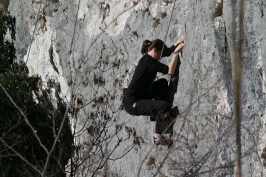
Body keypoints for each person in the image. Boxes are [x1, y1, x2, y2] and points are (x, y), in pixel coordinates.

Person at [122, 36, 184, 146]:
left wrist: (178, 42)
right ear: (155, 50)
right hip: (133, 103)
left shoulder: (150, 58)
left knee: (162, 83)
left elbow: (167, 51)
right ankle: (157, 137)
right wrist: (176, 54)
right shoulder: (148, 62)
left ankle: (159, 115)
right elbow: (170, 70)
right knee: (162, 106)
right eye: (160, 55)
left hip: (141, 96)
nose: (160, 58)